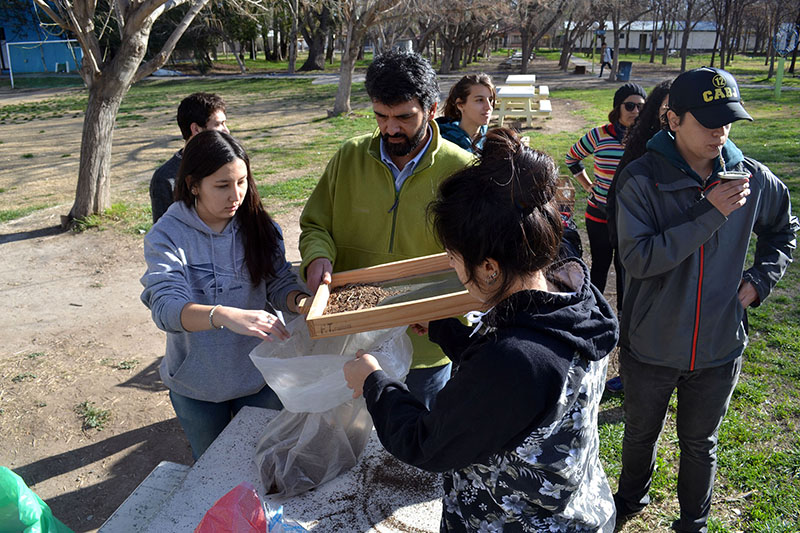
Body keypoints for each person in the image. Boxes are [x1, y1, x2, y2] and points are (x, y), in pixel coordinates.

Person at [343, 128, 619, 532]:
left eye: (454, 258)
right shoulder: (576, 296)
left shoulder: (513, 361)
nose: (453, 269)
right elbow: (512, 385)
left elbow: (426, 443)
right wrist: (446, 330)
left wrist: (373, 380)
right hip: (579, 505)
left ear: (489, 267)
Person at [613, 67, 798, 532]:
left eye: (729, 119)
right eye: (709, 119)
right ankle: (631, 499)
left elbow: (785, 229)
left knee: (701, 443)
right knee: (639, 434)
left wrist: (761, 280)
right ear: (672, 119)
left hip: (719, 345)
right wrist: (709, 213)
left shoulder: (751, 177)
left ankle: (693, 521)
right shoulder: (640, 179)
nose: (721, 131)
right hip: (651, 344)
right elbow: (639, 260)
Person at [299, 50, 473, 410]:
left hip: (428, 345)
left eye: (404, 117)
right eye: (381, 116)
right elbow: (316, 224)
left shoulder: (463, 169)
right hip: (352, 340)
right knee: (352, 439)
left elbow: (479, 254)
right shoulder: (349, 157)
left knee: (419, 445)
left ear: (433, 108)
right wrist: (317, 255)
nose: (391, 128)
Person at [141, 130, 310, 460]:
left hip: (259, 379)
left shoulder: (261, 227)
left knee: (265, 462)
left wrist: (299, 301)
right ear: (193, 184)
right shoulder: (166, 236)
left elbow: (277, 284)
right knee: (213, 469)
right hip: (197, 386)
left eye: (242, 182)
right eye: (222, 185)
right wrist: (223, 315)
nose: (236, 195)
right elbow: (165, 307)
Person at [604, 78, 672, 393]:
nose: (673, 118)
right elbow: (615, 198)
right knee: (632, 311)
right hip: (637, 252)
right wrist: (623, 245)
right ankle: (629, 373)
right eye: (667, 110)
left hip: (677, 252)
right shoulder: (639, 147)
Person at [565, 82, 646, 293]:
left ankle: (621, 314)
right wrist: (588, 185)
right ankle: (595, 312)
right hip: (599, 213)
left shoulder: (646, 139)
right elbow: (572, 158)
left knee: (624, 268)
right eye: (630, 106)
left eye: (641, 107)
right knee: (600, 266)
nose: (636, 111)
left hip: (630, 216)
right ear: (618, 107)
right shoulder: (599, 135)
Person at [150, 92, 230, 223]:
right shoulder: (166, 178)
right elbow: (164, 233)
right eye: (218, 124)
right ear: (196, 129)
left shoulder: (229, 164)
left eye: (225, 123)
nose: (226, 131)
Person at [435, 73, 496, 152]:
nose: (488, 107)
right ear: (460, 105)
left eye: (490, 100)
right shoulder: (443, 144)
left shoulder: (489, 141)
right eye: (480, 100)